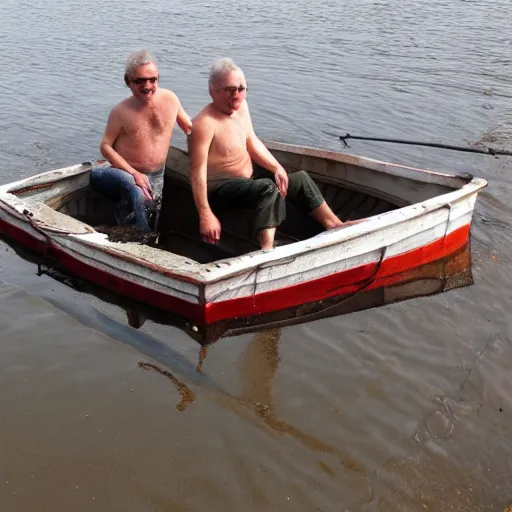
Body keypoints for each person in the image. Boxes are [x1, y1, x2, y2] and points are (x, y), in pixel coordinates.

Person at [188, 58, 358, 250]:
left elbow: (252, 141)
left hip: (248, 180)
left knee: (299, 179)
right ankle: (266, 249)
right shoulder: (203, 124)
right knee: (268, 188)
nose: (236, 95)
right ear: (212, 91)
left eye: (241, 89)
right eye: (229, 90)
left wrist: (276, 167)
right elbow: (197, 173)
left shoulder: (241, 107)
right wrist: (205, 214)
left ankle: (334, 224)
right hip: (221, 188)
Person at [90, 49, 192, 232]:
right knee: (138, 191)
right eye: (140, 81)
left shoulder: (170, 99)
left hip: (155, 174)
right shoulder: (120, 112)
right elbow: (105, 147)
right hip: (115, 172)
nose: (147, 86)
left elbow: (190, 129)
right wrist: (133, 173)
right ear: (127, 81)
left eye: (153, 79)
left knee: (153, 208)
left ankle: (120, 229)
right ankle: (139, 243)